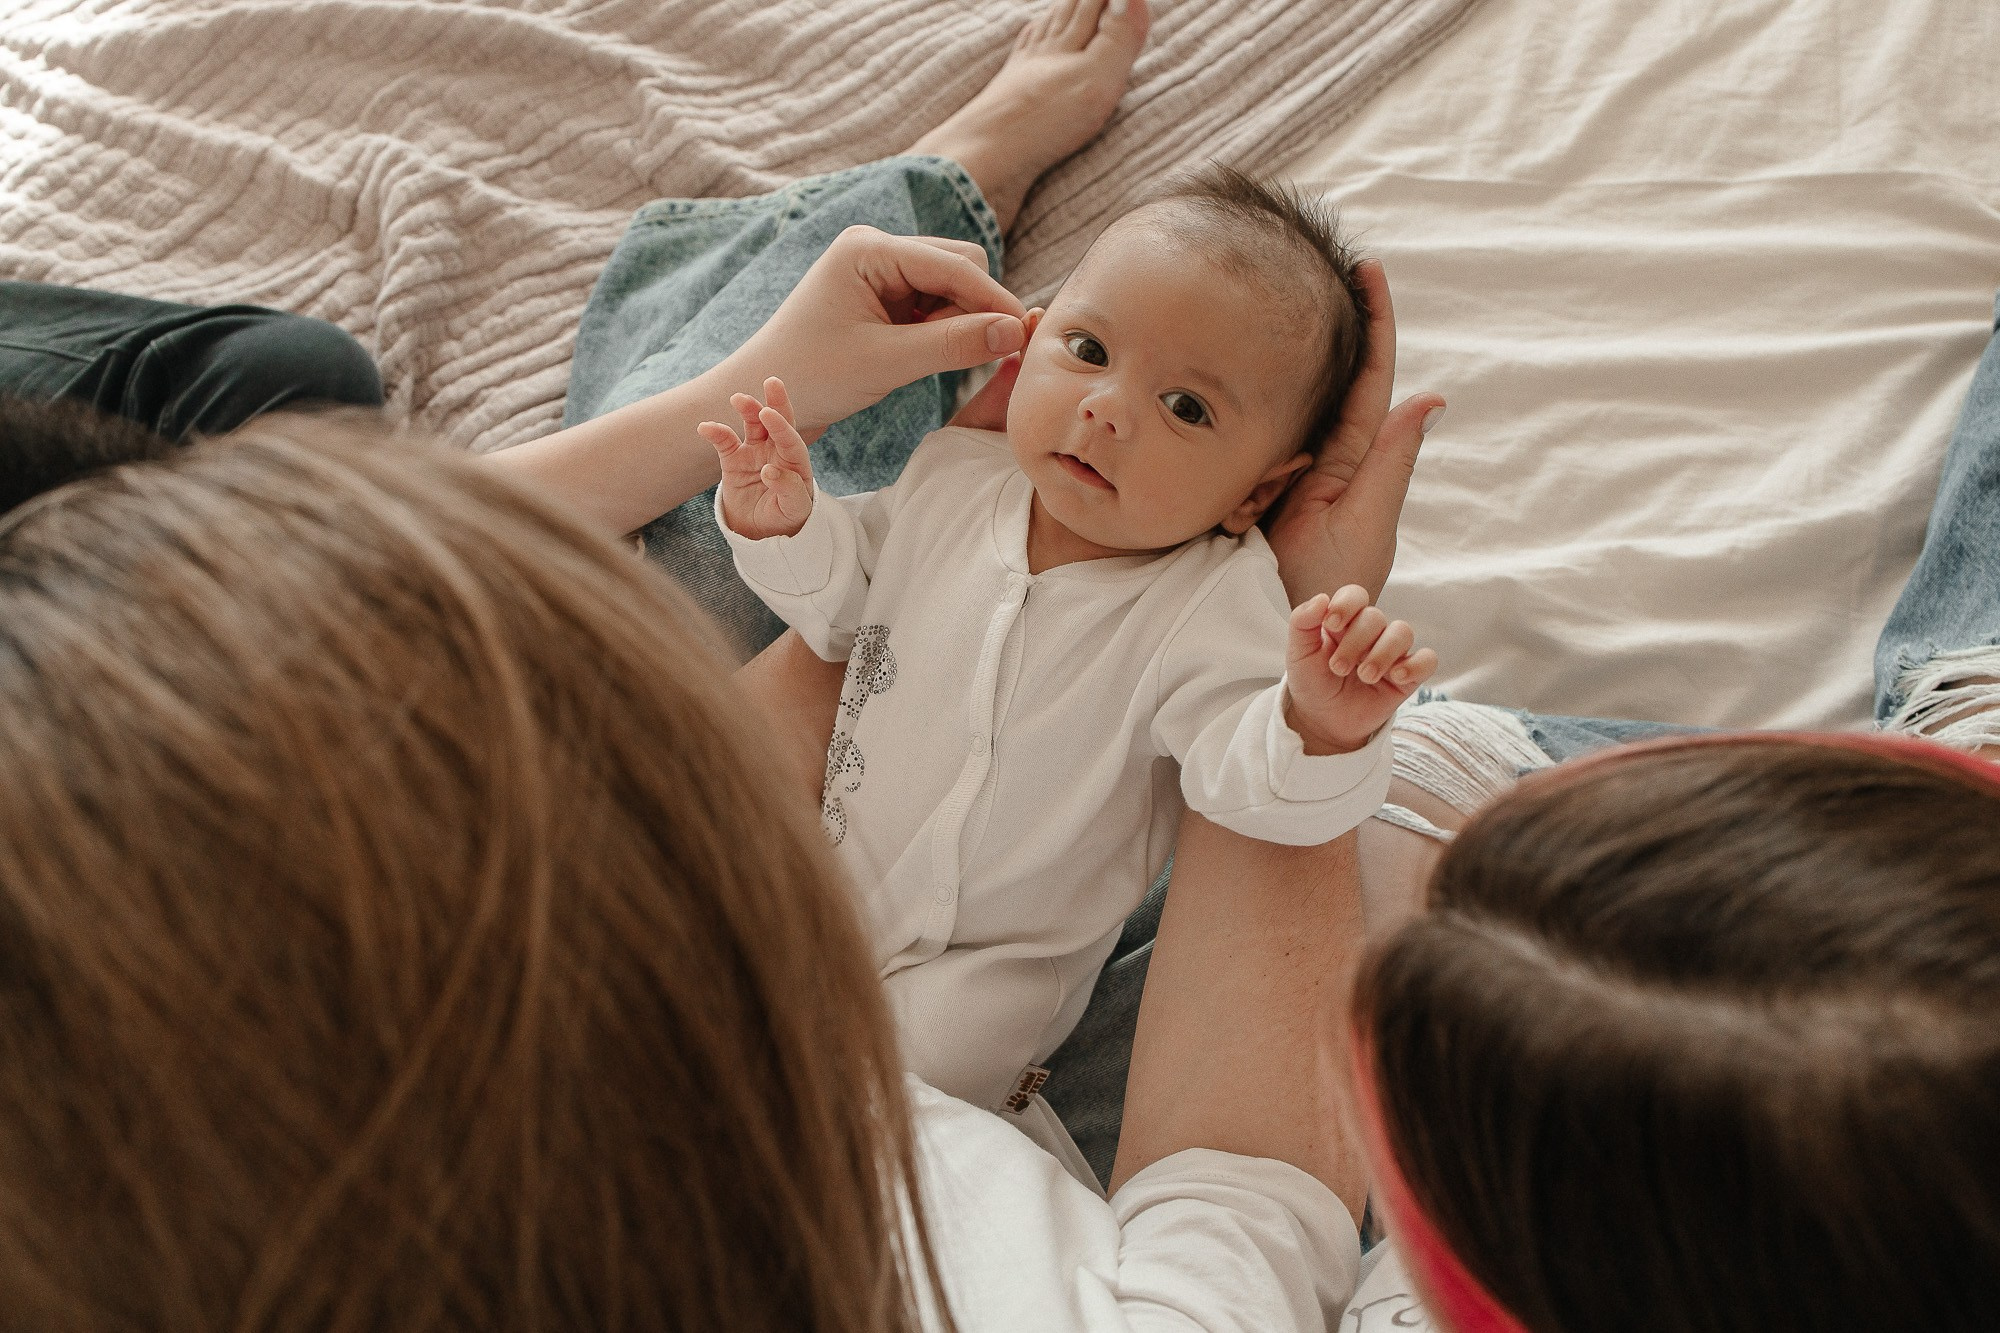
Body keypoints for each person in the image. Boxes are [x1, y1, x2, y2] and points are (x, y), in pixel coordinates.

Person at [701, 166, 1436, 1115]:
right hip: (829, 876)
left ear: (1259, 491)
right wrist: (784, 524)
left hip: (991, 974)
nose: (1108, 408)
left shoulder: (1215, 602)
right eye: (1088, 349)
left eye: (1188, 408)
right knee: (707, 987)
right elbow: (840, 612)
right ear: (1035, 336)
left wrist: (1320, 724)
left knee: (879, 1103)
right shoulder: (952, 476)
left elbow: (1249, 782)